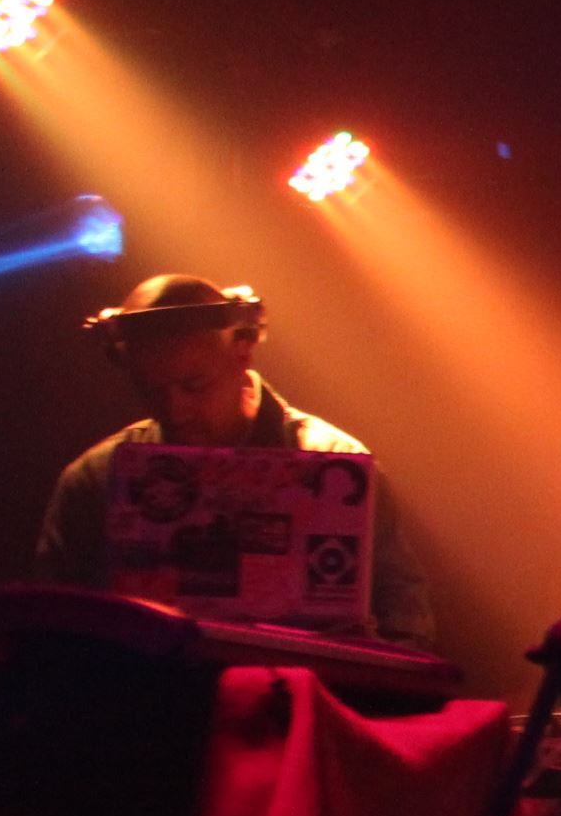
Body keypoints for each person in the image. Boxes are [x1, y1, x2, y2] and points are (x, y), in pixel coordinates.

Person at [36, 274, 436, 648]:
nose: (175, 410)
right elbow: (49, 629)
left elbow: (407, 623)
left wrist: (367, 650)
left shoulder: (339, 469)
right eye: (152, 391)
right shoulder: (95, 482)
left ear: (242, 350)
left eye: (195, 385)